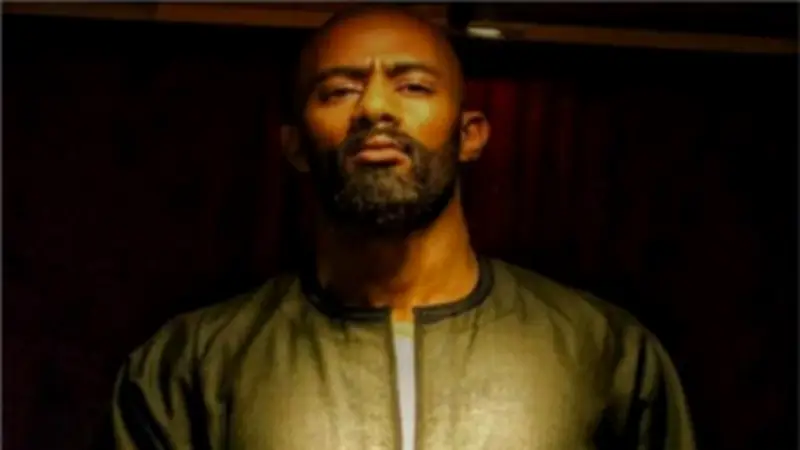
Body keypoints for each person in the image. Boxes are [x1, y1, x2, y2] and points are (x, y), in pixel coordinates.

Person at [107, 6, 695, 450]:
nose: (374, 108)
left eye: (413, 85)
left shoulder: (605, 351)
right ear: (295, 146)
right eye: (339, 90)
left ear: (470, 134)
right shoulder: (191, 364)